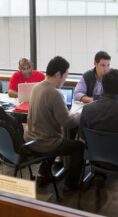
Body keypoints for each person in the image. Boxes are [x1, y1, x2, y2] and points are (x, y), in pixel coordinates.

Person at [24, 56, 84, 192]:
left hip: (30, 139)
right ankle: (71, 186)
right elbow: (67, 122)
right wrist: (80, 114)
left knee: (55, 137)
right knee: (79, 147)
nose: (65, 79)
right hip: (44, 143)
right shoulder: (54, 94)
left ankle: (42, 175)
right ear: (58, 74)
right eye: (65, 76)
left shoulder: (36, 87)